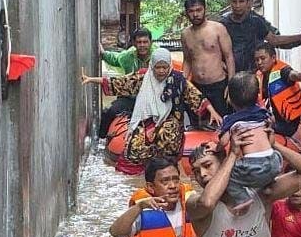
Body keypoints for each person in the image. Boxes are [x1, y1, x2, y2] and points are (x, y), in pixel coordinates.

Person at [82, 48, 223, 169]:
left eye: (164, 67)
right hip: (147, 119)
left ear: (169, 66)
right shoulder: (144, 77)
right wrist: (92, 80)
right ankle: (141, 174)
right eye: (158, 67)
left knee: (165, 134)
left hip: (171, 119)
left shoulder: (178, 79)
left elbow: (194, 96)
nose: (161, 71)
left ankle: (168, 166)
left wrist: (212, 111)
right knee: (135, 142)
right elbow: (121, 82)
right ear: (152, 66)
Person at [109, 157, 204, 237]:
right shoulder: (142, 211)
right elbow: (115, 232)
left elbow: (208, 204)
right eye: (165, 181)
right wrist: (139, 207)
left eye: (176, 180)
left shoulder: (191, 202)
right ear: (151, 187)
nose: (173, 186)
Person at [217, 72, 282, 209]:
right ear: (257, 95)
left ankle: (243, 199)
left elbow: (223, 142)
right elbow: (272, 125)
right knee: (269, 158)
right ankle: (268, 185)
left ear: (231, 99)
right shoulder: (263, 113)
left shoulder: (231, 120)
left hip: (252, 165)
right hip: (275, 162)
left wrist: (216, 149)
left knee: (227, 175)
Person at [220, 0, 301, 73]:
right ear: (230, 2)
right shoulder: (223, 24)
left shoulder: (256, 22)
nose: (237, 5)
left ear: (248, 2)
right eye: (234, 2)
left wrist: (299, 37)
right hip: (230, 73)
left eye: (241, 1)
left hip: (255, 72)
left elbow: (274, 40)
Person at [254, 42, 301, 137]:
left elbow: (294, 75)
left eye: (263, 58)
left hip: (288, 125)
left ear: (273, 58)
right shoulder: (260, 75)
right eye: (257, 60)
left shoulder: (282, 70)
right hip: (275, 118)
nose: (259, 62)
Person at [181, 0, 236, 118]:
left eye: (199, 10)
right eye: (191, 11)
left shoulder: (218, 29)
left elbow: (229, 57)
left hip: (218, 86)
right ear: (186, 13)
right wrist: (182, 84)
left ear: (205, 9)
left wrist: (230, 84)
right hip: (196, 87)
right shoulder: (185, 34)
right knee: (198, 126)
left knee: (221, 124)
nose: (195, 14)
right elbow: (188, 60)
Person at [98, 28, 153, 138]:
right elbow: (115, 58)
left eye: (145, 42)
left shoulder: (157, 56)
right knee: (110, 112)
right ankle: (102, 140)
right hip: (130, 98)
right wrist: (103, 53)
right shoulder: (128, 56)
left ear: (151, 42)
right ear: (133, 43)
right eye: (139, 42)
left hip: (152, 99)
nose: (142, 45)